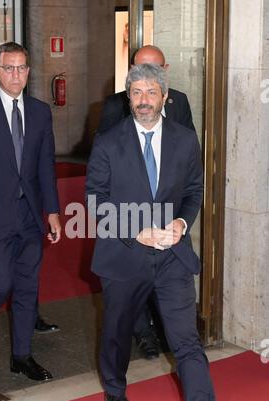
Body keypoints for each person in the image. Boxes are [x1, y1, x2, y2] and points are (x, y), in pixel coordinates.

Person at [86, 63, 234, 401]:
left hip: (172, 257)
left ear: (165, 97)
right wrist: (135, 230)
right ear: (128, 97)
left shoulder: (185, 140)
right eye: (136, 93)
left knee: (186, 340)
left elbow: (194, 190)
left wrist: (183, 224)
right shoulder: (108, 141)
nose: (143, 101)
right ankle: (115, 390)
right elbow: (95, 200)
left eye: (151, 92)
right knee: (117, 333)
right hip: (124, 254)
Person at [98, 45, 195, 361]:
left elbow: (189, 165)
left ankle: (161, 333)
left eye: (153, 77)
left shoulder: (179, 103)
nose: (143, 94)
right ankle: (142, 333)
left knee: (182, 332)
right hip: (128, 225)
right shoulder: (115, 110)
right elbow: (102, 177)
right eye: (137, 78)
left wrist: (180, 219)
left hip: (168, 231)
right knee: (121, 316)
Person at [0, 42, 61, 381]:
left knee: (27, 286)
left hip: (30, 215)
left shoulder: (41, 112)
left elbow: (46, 165)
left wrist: (53, 212)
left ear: (29, 71)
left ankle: (22, 355)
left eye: (22, 68)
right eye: (9, 68)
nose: (16, 74)